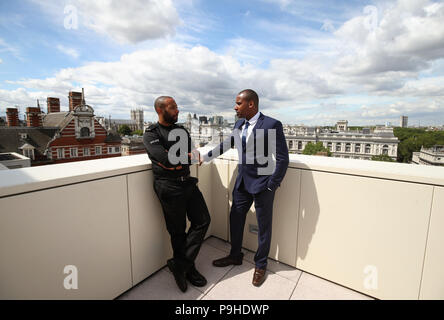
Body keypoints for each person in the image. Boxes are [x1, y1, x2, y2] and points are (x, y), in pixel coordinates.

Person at [200, 89, 289, 287]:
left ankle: (260, 264)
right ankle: (235, 255)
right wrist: (205, 157)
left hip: (263, 185)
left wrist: (272, 185)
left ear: (251, 104)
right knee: (235, 218)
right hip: (242, 183)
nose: (235, 107)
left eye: (238, 103)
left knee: (264, 226)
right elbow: (227, 143)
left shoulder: (272, 124)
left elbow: (283, 158)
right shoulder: (240, 123)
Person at [143, 96, 211, 293]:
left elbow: (189, 155)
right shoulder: (151, 134)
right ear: (160, 110)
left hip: (187, 182)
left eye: (177, 107)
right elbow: (164, 159)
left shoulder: (181, 130)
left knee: (203, 220)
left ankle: (180, 265)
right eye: (173, 108)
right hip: (168, 186)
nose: (177, 111)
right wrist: (184, 158)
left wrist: (182, 158)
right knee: (178, 231)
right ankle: (189, 269)